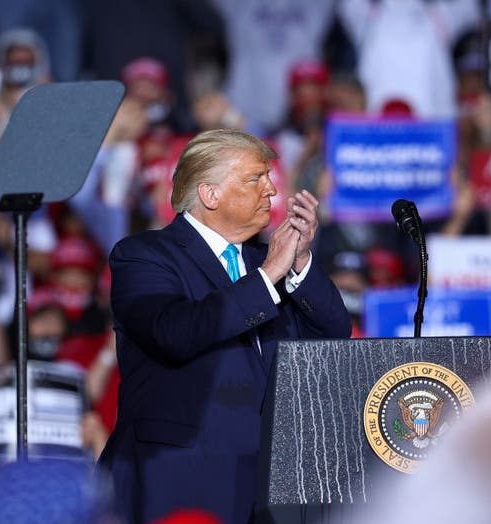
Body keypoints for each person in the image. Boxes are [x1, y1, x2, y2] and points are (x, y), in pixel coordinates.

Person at [97, 128, 351, 523]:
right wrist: (268, 278)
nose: (272, 190)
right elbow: (174, 332)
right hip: (179, 478)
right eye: (256, 178)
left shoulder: (269, 262)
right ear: (210, 194)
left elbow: (333, 334)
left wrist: (299, 262)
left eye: (270, 177)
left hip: (272, 483)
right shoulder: (144, 256)